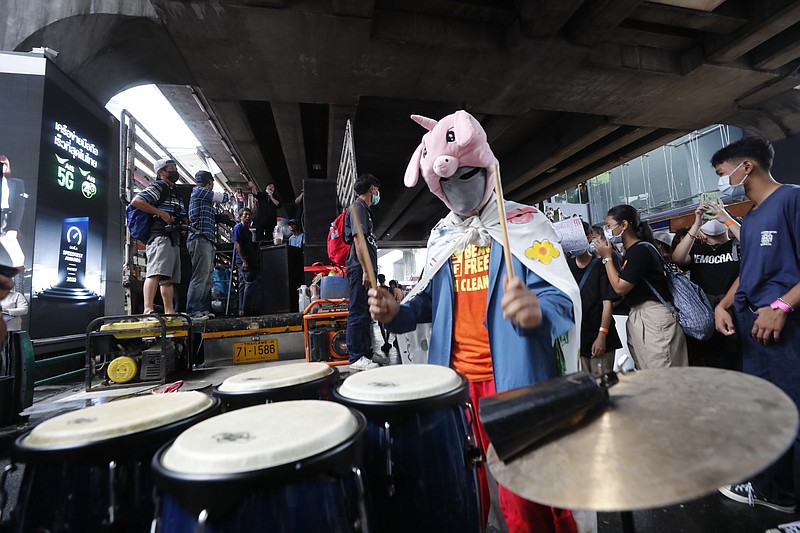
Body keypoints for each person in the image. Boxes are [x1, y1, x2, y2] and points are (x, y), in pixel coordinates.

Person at [369, 111, 580, 533]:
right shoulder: (443, 236)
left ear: (487, 168)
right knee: (466, 489)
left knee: (526, 500)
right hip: (456, 390)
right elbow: (425, 305)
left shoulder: (524, 223)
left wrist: (536, 311)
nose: (458, 187)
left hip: (516, 385)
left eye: (467, 174)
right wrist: (396, 313)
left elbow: (562, 298)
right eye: (447, 182)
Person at [711, 137, 800, 515]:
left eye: (721, 172)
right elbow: (748, 273)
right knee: (766, 411)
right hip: (753, 326)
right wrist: (723, 304)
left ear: (745, 166)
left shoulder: (792, 199)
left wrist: (782, 305)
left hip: (783, 325)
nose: (721, 180)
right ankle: (775, 490)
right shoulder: (750, 218)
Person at [593, 204, 688, 369]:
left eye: (609, 226)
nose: (607, 231)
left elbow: (620, 287)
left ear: (624, 225)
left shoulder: (640, 251)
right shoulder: (632, 251)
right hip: (642, 316)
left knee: (663, 374)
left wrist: (607, 257)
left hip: (653, 318)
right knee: (647, 372)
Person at [672, 212, 741, 370]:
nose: (713, 220)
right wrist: (697, 224)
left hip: (737, 312)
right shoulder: (697, 251)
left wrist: (726, 218)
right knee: (716, 364)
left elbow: (754, 243)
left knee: (741, 361)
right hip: (708, 317)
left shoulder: (738, 245)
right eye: (709, 217)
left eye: (715, 216)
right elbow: (677, 258)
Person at [130, 158, 186, 315]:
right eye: (171, 168)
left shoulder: (175, 191)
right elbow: (137, 201)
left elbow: (181, 213)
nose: (174, 171)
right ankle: (148, 309)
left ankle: (169, 311)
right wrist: (160, 213)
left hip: (173, 237)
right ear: (161, 172)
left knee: (168, 278)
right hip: (160, 235)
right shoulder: (159, 186)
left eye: (175, 167)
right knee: (155, 273)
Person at [567, 222, 622, 375]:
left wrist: (602, 335)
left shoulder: (600, 265)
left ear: (589, 237)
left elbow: (607, 304)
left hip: (599, 335)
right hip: (577, 338)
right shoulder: (566, 267)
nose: (572, 243)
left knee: (603, 385)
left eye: (576, 238)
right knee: (584, 388)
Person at [344, 173, 381, 372]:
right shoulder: (357, 208)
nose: (377, 194)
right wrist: (366, 270)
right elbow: (358, 241)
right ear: (372, 189)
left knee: (366, 312)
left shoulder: (364, 211)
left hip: (366, 269)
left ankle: (366, 352)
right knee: (358, 310)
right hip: (360, 268)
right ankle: (356, 356)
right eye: (376, 189)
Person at [186, 170, 230, 318]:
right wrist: (229, 196)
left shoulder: (200, 196)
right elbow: (223, 198)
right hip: (200, 239)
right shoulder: (200, 191)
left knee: (207, 277)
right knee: (200, 277)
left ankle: (201, 309)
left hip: (206, 240)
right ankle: (193, 311)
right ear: (209, 182)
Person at [232, 208, 260, 316]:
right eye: (245, 215)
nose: (248, 216)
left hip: (248, 259)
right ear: (240, 217)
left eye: (249, 215)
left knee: (243, 284)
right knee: (249, 282)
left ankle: (242, 309)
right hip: (242, 260)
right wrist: (244, 260)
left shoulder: (248, 231)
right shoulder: (238, 228)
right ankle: (246, 308)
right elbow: (238, 244)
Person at [0, 155, 27, 268]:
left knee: (19, 258)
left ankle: (16, 283)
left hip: (7, 220)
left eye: (4, 164)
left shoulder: (17, 183)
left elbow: (19, 207)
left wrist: (14, 228)